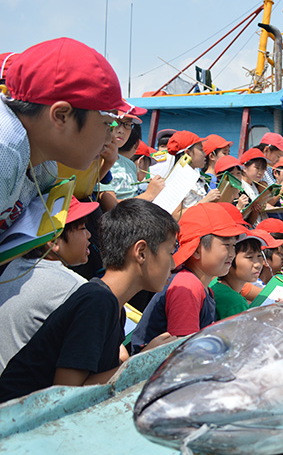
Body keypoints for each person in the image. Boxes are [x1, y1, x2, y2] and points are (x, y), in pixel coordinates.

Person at [0, 199, 179, 403]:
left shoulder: (112, 305)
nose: (173, 264)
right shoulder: (98, 301)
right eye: (170, 252)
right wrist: (144, 361)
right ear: (141, 252)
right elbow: (67, 394)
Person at [0, 37, 129, 234]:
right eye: (106, 124)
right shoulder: (5, 151)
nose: (108, 140)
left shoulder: (44, 167)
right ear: (61, 116)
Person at [130, 202, 244, 353]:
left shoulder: (201, 287)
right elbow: (185, 353)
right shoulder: (187, 286)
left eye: (234, 246)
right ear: (196, 249)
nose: (232, 254)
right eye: (226, 245)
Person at [0, 197, 98, 373]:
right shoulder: (73, 287)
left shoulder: (14, 265)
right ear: (53, 242)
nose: (89, 235)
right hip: (24, 395)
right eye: (83, 228)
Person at [97, 116, 164, 209]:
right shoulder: (97, 161)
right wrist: (149, 195)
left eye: (127, 124)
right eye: (116, 122)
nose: (121, 130)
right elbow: (111, 207)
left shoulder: (130, 164)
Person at [211, 232, 267, 320]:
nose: (257, 264)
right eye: (249, 257)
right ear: (229, 259)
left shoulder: (216, 284)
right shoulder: (235, 302)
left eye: (259, 256)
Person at [167, 130, 220, 217]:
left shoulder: (196, 177)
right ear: (188, 153)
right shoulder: (177, 180)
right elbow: (176, 216)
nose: (204, 154)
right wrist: (206, 200)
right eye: (201, 150)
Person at [239, 147, 269, 225]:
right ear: (244, 168)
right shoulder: (240, 186)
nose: (260, 172)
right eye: (257, 168)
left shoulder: (254, 185)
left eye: (263, 169)